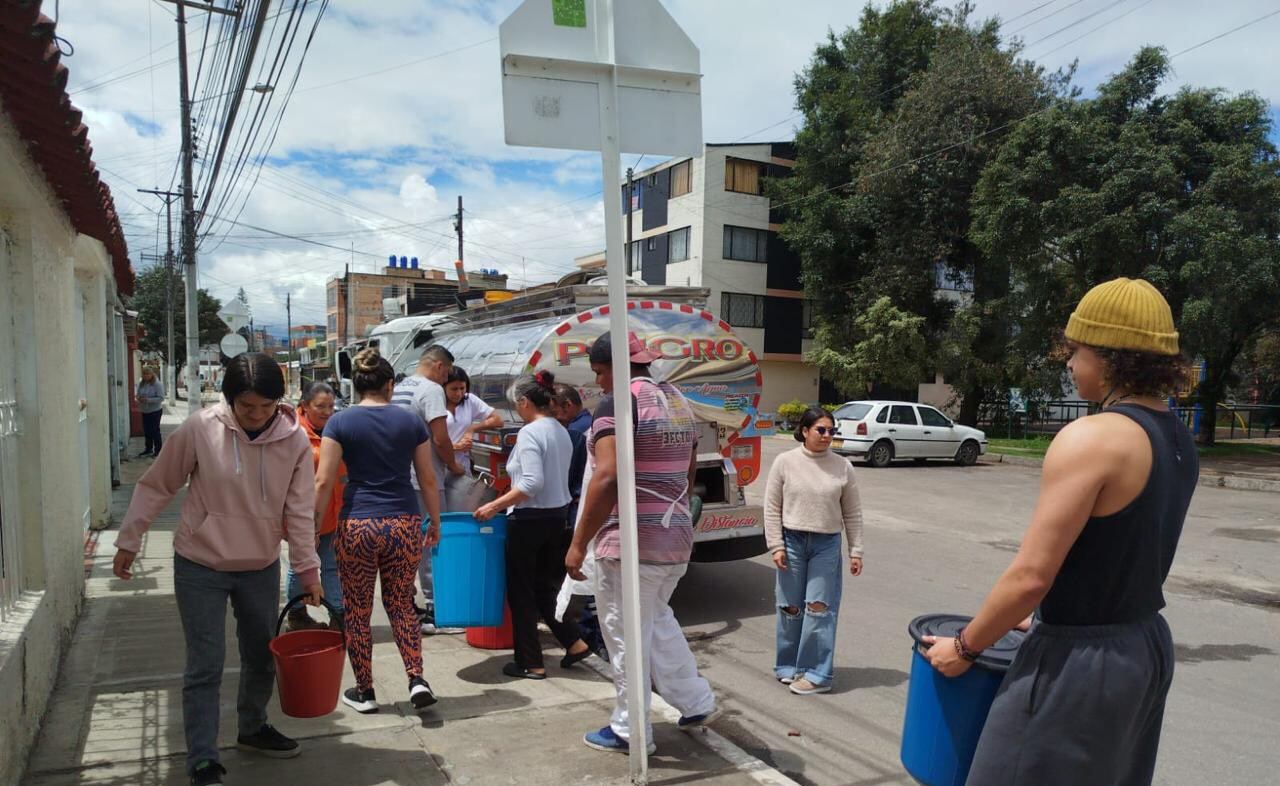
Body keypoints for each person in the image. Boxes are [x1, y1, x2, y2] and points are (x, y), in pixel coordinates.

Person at [921, 278, 1198, 786]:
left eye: (1076, 350)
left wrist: (963, 648)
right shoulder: (1177, 435)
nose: (1069, 364)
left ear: (1110, 357)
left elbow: (1030, 576)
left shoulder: (1093, 438)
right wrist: (1046, 618)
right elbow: (1119, 555)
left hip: (1080, 665)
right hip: (1143, 647)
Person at [112, 352, 321, 786]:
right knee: (205, 664)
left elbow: (300, 511)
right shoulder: (200, 428)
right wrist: (129, 539)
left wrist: (308, 570)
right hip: (200, 564)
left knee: (262, 656)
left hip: (260, 564)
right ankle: (203, 758)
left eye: (266, 407)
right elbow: (158, 483)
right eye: (247, 407)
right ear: (229, 400)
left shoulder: (294, 440)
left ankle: (252, 728)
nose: (256, 416)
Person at [566, 332, 717, 755]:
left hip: (631, 546)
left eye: (598, 372)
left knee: (624, 636)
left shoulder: (618, 402)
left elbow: (608, 476)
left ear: (612, 366)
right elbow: (689, 469)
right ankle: (696, 702)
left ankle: (630, 731)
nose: (598, 383)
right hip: (673, 539)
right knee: (656, 623)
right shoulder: (675, 400)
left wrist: (578, 544)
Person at [316, 348, 443, 715]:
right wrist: (434, 522)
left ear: (356, 386)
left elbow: (324, 481)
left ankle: (364, 690)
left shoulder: (340, 423)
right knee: (401, 603)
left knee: (357, 609)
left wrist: (311, 530)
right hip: (402, 522)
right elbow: (428, 479)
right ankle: (417, 678)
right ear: (391, 385)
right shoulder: (411, 423)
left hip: (357, 523)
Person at [475, 371, 593, 679]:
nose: (517, 410)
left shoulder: (530, 433)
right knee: (544, 590)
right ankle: (575, 643)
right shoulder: (560, 429)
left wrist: (493, 505)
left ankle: (531, 662)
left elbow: (530, 482)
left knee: (522, 593)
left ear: (525, 402)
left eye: (516, 404)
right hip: (556, 517)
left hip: (529, 519)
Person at [764, 407, 864, 695]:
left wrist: (856, 550)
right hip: (791, 541)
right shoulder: (785, 462)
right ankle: (788, 666)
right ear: (805, 431)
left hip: (826, 544)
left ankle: (818, 675)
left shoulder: (843, 466)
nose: (827, 436)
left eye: (831, 431)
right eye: (821, 430)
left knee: (819, 608)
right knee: (790, 608)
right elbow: (771, 508)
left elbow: (853, 513)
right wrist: (776, 545)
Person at [392, 344, 464, 634]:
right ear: (439, 367)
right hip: (425, 480)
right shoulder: (431, 389)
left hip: (399, 478)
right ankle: (438, 610)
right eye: (446, 373)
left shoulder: (399, 387)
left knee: (407, 545)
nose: (445, 380)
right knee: (433, 541)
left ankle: (407, 606)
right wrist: (454, 466)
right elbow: (440, 438)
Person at [284, 382, 346, 632]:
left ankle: (338, 615)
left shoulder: (337, 430)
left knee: (332, 565)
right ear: (304, 406)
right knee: (301, 565)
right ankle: (297, 614)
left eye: (331, 406)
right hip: (303, 517)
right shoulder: (291, 434)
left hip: (334, 514)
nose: (326, 411)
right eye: (320, 406)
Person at [444, 366, 503, 477]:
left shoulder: (469, 400)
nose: (459, 394)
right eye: (454, 389)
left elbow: (497, 420)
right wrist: (455, 447)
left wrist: (472, 428)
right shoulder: (434, 403)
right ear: (443, 387)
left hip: (462, 468)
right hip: (440, 467)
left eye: (462, 388)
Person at [136, 365, 166, 457]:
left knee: (154, 431)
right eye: (144, 374)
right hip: (145, 410)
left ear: (151, 374)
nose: (146, 376)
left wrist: (148, 400)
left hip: (155, 411)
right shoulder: (142, 383)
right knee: (147, 431)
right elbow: (138, 393)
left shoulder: (157, 384)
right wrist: (138, 398)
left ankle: (158, 450)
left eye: (147, 374)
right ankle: (148, 449)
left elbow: (161, 398)